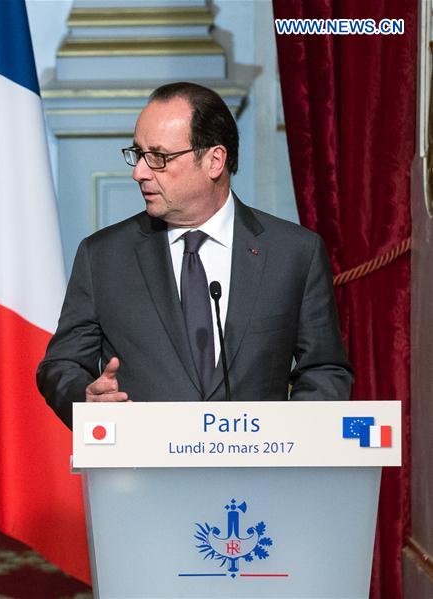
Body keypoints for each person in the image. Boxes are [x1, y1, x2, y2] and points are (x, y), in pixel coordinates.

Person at [37, 82, 353, 429]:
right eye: (137, 153)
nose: (139, 172)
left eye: (158, 157)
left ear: (214, 160)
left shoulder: (294, 253)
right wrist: (85, 399)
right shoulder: (103, 257)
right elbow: (60, 365)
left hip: (258, 475)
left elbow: (325, 370)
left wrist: (288, 440)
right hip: (142, 474)